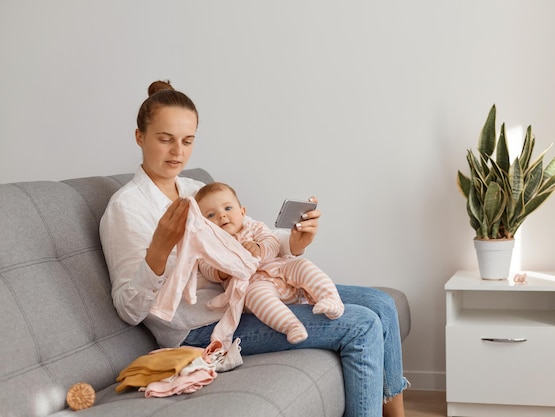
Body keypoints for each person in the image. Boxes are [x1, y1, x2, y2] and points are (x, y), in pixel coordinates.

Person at [99, 80, 408, 417]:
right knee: (361, 323)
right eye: (165, 140)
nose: (178, 152)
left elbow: (248, 237)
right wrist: (158, 250)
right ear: (139, 137)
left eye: (187, 141)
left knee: (381, 303)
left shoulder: (195, 189)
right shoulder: (126, 209)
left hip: (250, 292)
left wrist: (295, 242)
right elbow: (128, 309)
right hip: (200, 327)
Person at [194, 181, 344, 344]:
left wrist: (259, 248)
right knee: (254, 296)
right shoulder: (209, 245)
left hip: (282, 270)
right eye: (210, 215)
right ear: (204, 225)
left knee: (303, 265)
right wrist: (226, 267)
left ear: (243, 212)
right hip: (255, 284)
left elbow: (272, 242)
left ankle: (331, 299)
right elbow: (207, 268)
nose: (221, 216)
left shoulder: (253, 227)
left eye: (228, 208)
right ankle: (291, 326)